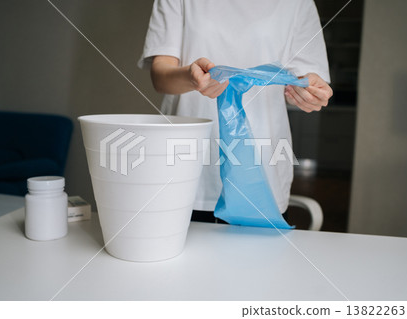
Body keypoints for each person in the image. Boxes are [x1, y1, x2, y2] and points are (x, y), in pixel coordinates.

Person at [138, 0, 332, 222]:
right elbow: (160, 77)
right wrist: (192, 79)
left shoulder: (298, 3)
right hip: (187, 168)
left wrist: (309, 94)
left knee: (258, 256)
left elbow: (308, 81)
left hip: (264, 168)